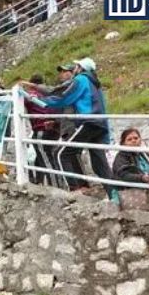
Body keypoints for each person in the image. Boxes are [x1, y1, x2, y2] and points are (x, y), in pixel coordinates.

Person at [33, 59, 114, 196]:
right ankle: (114, 195)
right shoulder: (96, 83)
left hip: (89, 122)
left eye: (76, 65)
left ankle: (74, 191)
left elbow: (64, 96)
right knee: (99, 163)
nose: (75, 68)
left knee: (61, 153)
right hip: (100, 124)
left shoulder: (81, 79)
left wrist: (41, 101)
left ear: (81, 68)